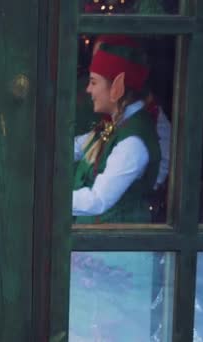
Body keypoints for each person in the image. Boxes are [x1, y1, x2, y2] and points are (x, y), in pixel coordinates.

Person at [73, 38, 161, 223]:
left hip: (114, 249)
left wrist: (44, 197)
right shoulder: (113, 125)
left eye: (94, 82)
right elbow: (74, 148)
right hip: (93, 245)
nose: (88, 89)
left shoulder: (133, 140)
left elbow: (98, 200)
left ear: (116, 87)